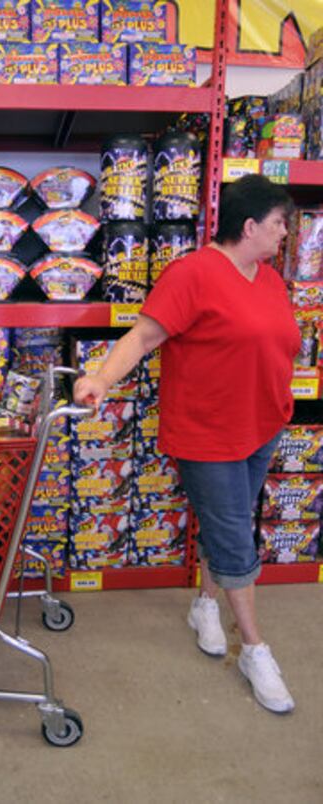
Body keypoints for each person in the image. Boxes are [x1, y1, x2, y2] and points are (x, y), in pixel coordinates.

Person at [74, 174, 301, 714]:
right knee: (233, 539)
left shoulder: (268, 278)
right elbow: (143, 336)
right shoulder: (193, 273)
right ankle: (254, 648)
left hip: (261, 425)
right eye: (278, 224)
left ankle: (205, 603)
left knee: (230, 522)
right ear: (249, 226)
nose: (285, 233)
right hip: (208, 433)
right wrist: (101, 380)